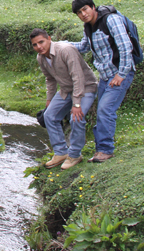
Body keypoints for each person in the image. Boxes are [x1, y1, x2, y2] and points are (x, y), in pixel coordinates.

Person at [69, 0, 136, 163]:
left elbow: (125, 46)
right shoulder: (88, 27)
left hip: (119, 73)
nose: (83, 14)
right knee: (102, 111)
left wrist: (121, 74)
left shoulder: (111, 20)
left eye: (85, 9)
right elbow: (84, 47)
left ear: (93, 7)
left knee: (105, 110)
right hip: (106, 76)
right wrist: (59, 45)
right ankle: (101, 149)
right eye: (79, 12)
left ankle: (105, 150)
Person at [30, 29, 98, 170]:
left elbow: (78, 77)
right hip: (66, 89)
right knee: (49, 115)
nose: (39, 47)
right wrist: (49, 100)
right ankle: (61, 152)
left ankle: (75, 155)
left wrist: (76, 104)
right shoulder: (40, 58)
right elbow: (50, 79)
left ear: (49, 39)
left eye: (41, 42)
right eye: (35, 45)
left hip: (86, 87)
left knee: (76, 118)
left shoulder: (66, 50)